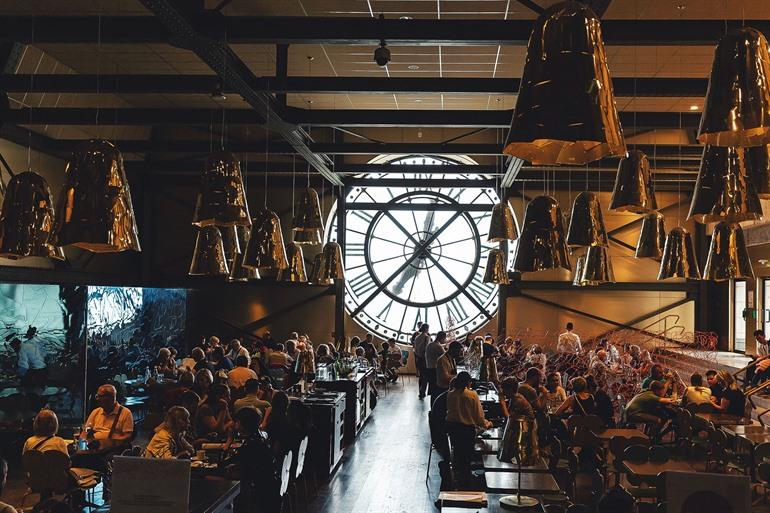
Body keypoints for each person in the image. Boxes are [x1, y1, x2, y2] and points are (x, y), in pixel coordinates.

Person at [224, 407, 280, 513]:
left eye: (237, 422)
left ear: (242, 423)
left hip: (257, 491)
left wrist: (229, 440)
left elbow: (227, 463)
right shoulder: (262, 436)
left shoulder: (250, 444)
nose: (235, 425)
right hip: (270, 486)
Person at [445, 372, 492, 481]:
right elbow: (479, 419)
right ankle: (467, 479)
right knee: (466, 457)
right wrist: (488, 424)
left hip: (452, 429)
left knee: (458, 453)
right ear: (468, 383)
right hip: (466, 432)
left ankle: (458, 476)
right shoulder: (472, 395)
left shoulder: (450, 394)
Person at [262, 391, 293, 456]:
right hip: (283, 450)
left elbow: (263, 427)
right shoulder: (286, 417)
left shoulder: (272, 415)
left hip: (271, 446)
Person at [425, 331, 447, 402]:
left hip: (429, 369)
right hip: (435, 371)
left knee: (433, 391)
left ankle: (432, 407)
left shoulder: (429, 345)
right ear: (443, 338)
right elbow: (445, 357)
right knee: (437, 391)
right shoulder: (438, 346)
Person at [412, 324, 431, 400]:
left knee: (421, 376)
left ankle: (421, 392)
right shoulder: (426, 337)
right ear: (427, 329)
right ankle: (422, 392)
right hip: (424, 359)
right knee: (425, 376)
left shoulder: (417, 337)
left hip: (419, 358)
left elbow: (415, 349)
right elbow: (427, 349)